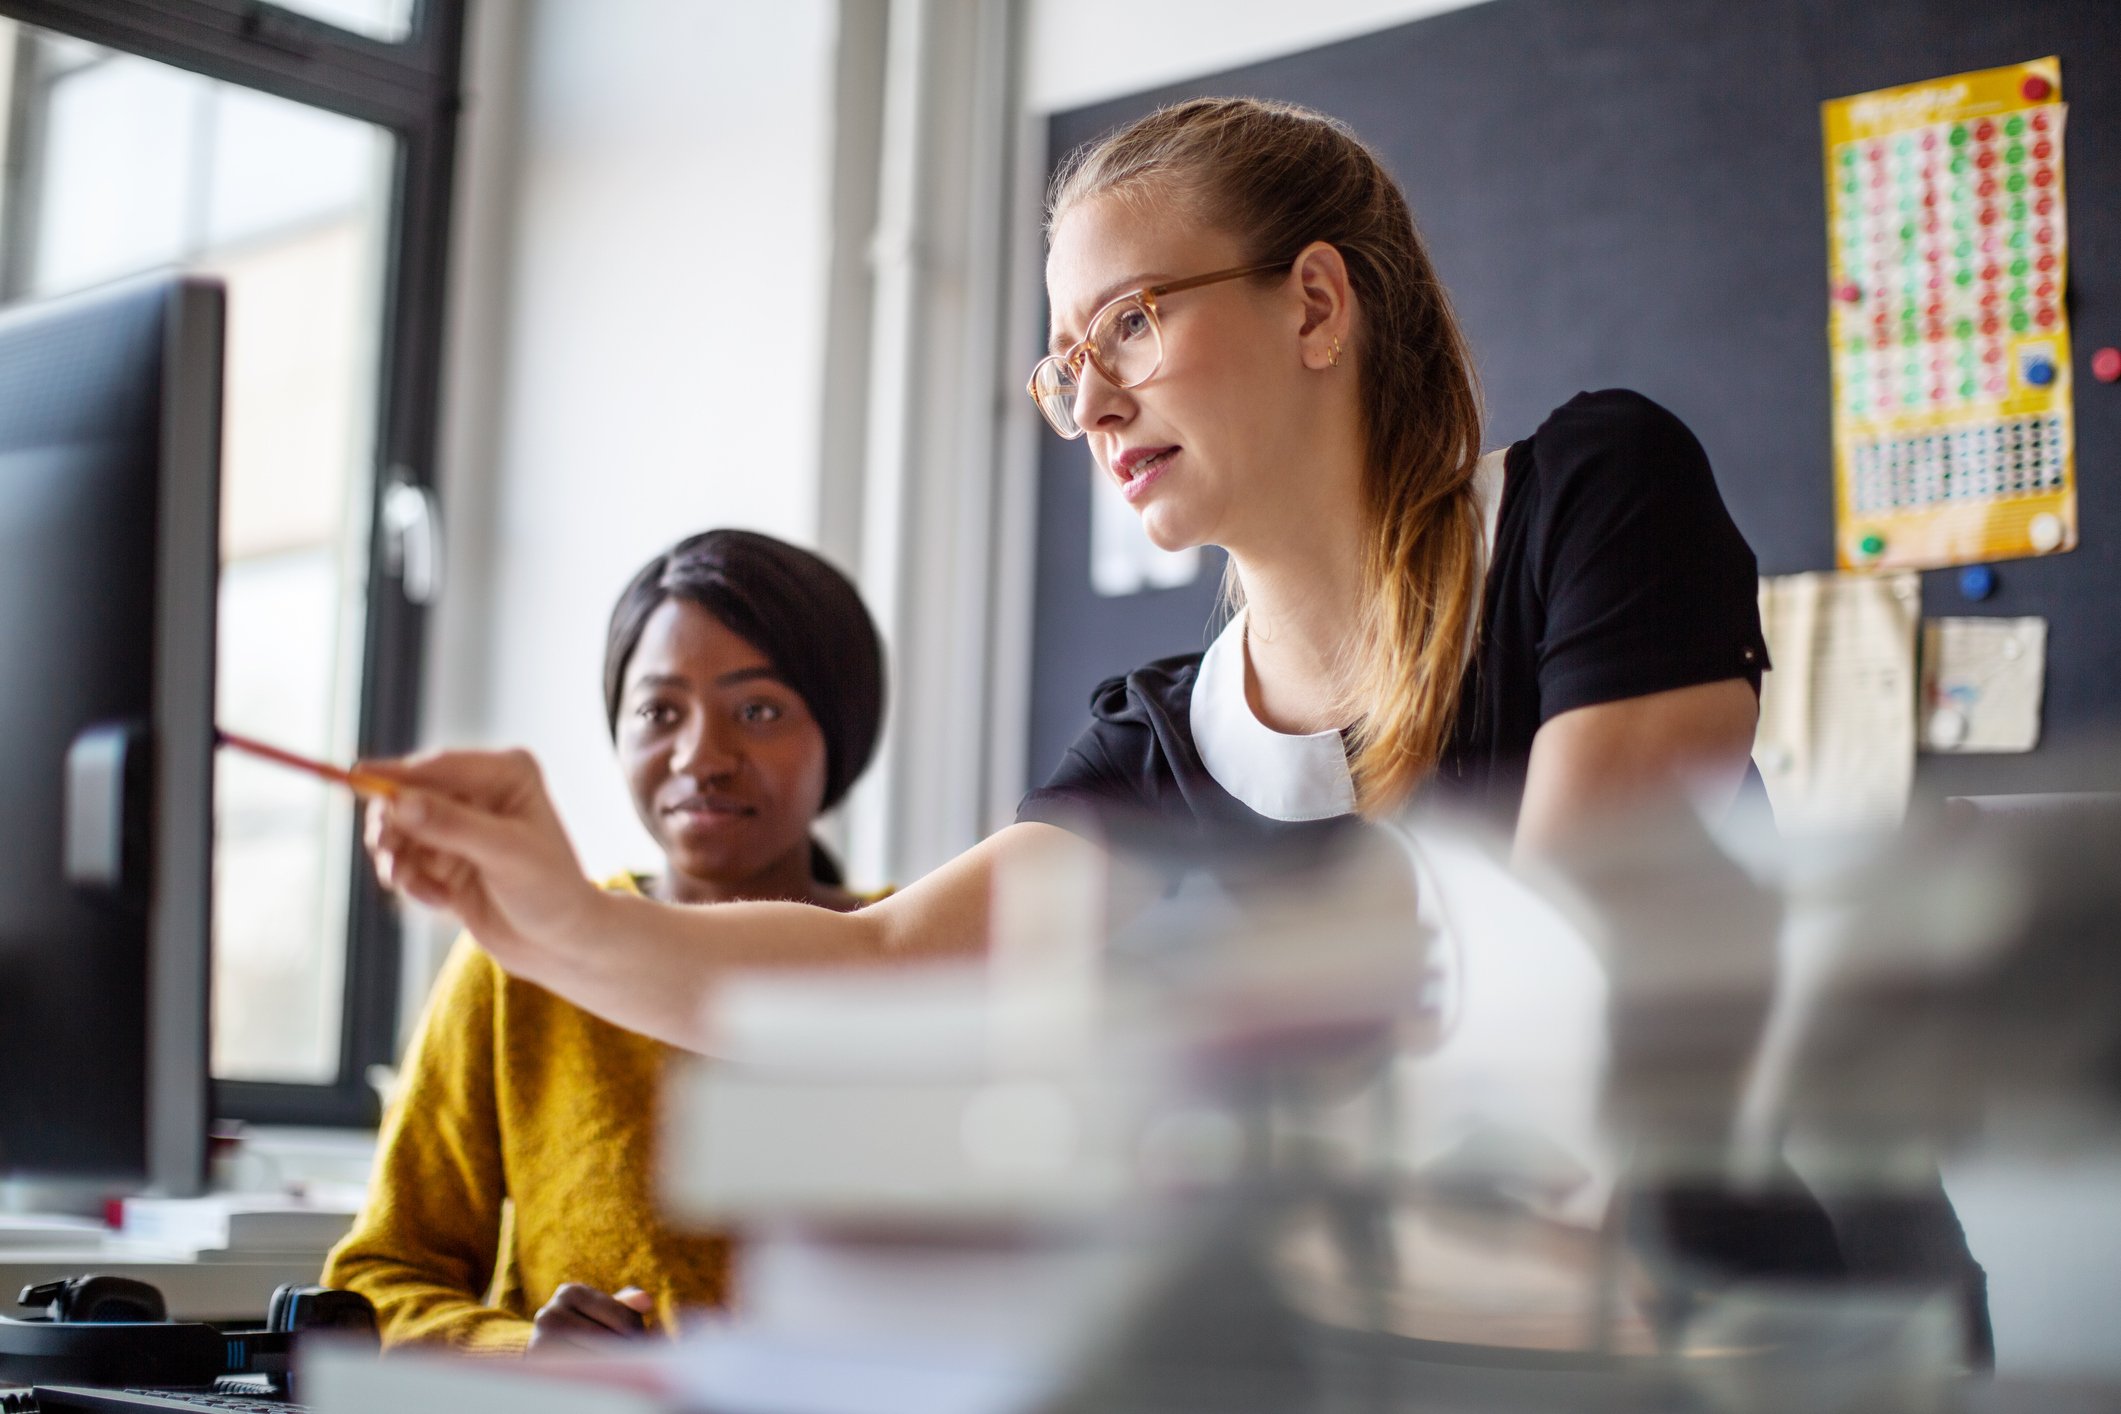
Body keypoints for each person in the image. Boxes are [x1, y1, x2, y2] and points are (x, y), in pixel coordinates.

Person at [361, 97, 1767, 1052]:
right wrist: (544, 918)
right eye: (1066, 364)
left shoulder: (1593, 498)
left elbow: (1572, 978)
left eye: (1133, 325)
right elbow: (885, 969)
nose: (1090, 408)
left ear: (1318, 303)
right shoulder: (1164, 739)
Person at [324, 529, 887, 1354]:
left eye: (757, 710)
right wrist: (527, 1357)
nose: (702, 756)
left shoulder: (926, 966)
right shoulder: (515, 963)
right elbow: (376, 1280)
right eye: (659, 711)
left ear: (838, 732)